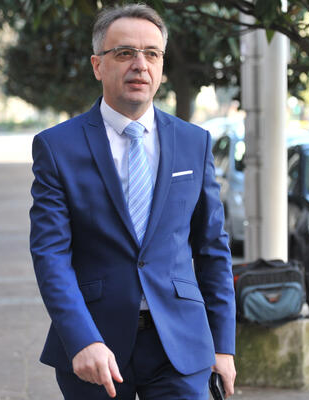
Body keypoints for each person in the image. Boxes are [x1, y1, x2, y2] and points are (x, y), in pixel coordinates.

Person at [29, 4, 236, 399]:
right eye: (125, 53)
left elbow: (213, 248)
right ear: (97, 65)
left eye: (152, 54)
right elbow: (51, 254)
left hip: (181, 344)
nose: (140, 65)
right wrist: (82, 339)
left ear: (161, 65)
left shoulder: (194, 142)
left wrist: (223, 344)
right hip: (96, 345)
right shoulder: (57, 147)